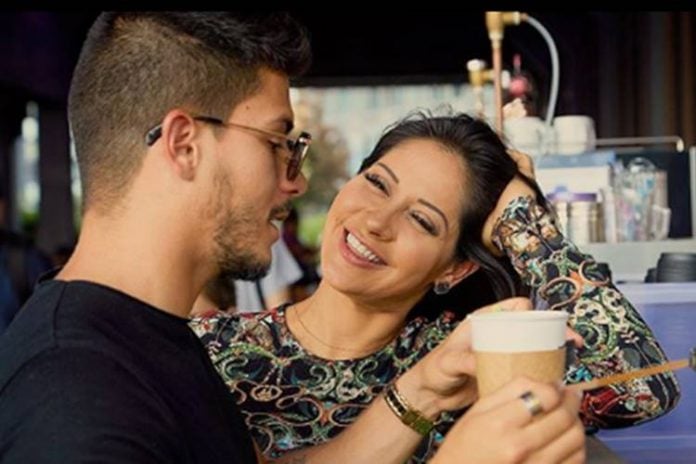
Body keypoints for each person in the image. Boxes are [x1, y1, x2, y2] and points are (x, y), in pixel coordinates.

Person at [0, 11, 584, 464]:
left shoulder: (151, 336)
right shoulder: (74, 398)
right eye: (277, 142)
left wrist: (423, 391)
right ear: (184, 144)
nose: (296, 180)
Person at [192, 111, 680, 462]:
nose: (376, 221)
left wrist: (524, 224)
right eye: (377, 183)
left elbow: (642, 385)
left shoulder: (467, 367)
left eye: (422, 220)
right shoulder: (212, 349)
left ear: (455, 270)